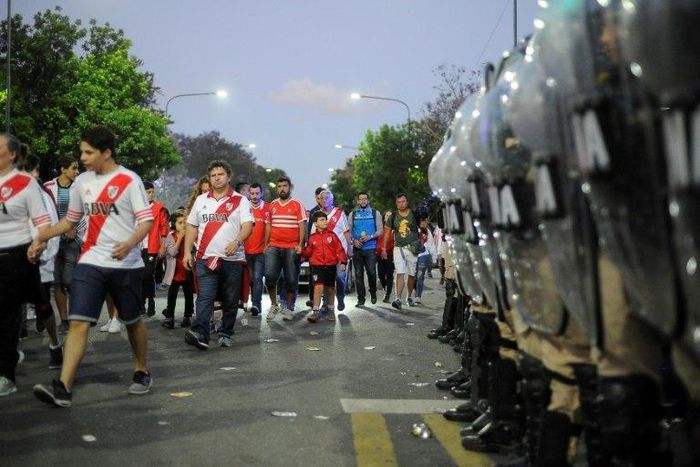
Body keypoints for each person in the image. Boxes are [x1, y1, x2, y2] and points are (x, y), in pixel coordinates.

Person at [32, 126, 154, 407]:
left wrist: (130, 242)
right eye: (81, 152)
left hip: (127, 264)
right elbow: (69, 222)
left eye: (88, 152)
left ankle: (141, 370)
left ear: (106, 152)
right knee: (78, 323)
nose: (83, 158)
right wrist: (41, 237)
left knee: (132, 321)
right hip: (90, 261)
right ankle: (63, 387)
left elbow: (145, 220)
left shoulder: (129, 180)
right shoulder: (82, 182)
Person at [0, 134, 51, 397]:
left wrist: (37, 244)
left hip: (14, 257)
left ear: (11, 155)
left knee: (7, 315)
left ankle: (6, 374)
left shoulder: (26, 185)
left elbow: (42, 224)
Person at [182, 160, 253, 350]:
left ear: (228, 177)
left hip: (232, 260)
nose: (216, 178)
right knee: (205, 297)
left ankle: (225, 332)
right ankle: (201, 333)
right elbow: (191, 226)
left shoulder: (240, 200)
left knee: (230, 300)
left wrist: (237, 241)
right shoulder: (201, 200)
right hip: (205, 259)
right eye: (213, 175)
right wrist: (187, 251)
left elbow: (248, 225)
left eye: (220, 174)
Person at [21, 151, 63, 369]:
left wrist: (44, 258)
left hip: (39, 261)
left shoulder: (43, 195)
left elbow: (52, 231)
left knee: (43, 307)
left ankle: (55, 346)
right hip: (13, 259)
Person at [43, 156, 81, 333]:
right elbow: (44, 212)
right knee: (57, 282)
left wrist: (73, 229)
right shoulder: (48, 187)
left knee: (69, 279)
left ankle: (78, 315)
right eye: (74, 168)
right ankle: (64, 320)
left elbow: (85, 212)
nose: (77, 171)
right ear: (63, 169)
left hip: (72, 240)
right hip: (53, 240)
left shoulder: (80, 187)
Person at [264, 177, 307, 321]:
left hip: (291, 247)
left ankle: (289, 308)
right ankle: (274, 305)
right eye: (279, 186)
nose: (282, 188)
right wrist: (266, 244)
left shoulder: (297, 204)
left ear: (289, 188)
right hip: (274, 246)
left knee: (291, 280)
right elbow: (268, 225)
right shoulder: (273, 205)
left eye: (285, 186)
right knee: (269, 277)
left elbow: (302, 225)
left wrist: (301, 244)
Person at [302, 211, 347, 323]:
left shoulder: (332, 236)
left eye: (325, 219)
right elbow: (307, 253)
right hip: (317, 266)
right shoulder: (312, 238)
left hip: (331, 265)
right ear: (315, 223)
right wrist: (301, 252)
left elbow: (339, 250)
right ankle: (315, 312)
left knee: (330, 289)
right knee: (318, 288)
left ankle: (331, 310)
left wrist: (343, 262)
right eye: (321, 220)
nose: (325, 222)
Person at [382, 193, 419, 310]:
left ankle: (409, 296)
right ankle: (398, 299)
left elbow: (423, 225)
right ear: (396, 203)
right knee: (400, 272)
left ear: (407, 202)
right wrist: (383, 248)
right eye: (398, 202)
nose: (401, 204)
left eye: (403, 201)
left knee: (412, 275)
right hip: (398, 248)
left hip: (412, 248)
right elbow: (387, 233)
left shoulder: (414, 214)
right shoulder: (393, 216)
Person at [348, 192, 383, 306]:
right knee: (358, 274)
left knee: (372, 272)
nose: (363, 201)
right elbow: (349, 232)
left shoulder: (375, 213)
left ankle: (373, 292)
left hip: (370, 248)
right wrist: (354, 241)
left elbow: (380, 231)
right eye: (360, 199)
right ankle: (361, 299)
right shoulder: (353, 214)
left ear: (368, 201)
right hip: (357, 249)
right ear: (358, 201)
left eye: (365, 199)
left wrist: (370, 237)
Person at [141, 180, 169, 316]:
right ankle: (141, 304)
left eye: (152, 192)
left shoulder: (159, 208)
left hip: (152, 247)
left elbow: (164, 228)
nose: (151, 194)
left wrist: (163, 246)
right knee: (139, 276)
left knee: (147, 274)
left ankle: (150, 300)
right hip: (136, 247)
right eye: (148, 192)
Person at [162, 211, 194, 328]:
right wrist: (180, 238)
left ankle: (187, 317)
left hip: (187, 271)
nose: (183, 225)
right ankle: (170, 317)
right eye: (180, 223)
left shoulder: (189, 236)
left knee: (189, 295)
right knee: (172, 296)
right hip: (175, 273)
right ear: (173, 224)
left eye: (184, 222)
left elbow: (193, 250)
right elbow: (172, 252)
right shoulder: (170, 237)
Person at [244, 183, 270, 317]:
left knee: (258, 278)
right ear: (249, 194)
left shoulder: (268, 208)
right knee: (250, 279)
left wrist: (267, 245)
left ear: (262, 193)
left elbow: (270, 229)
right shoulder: (244, 207)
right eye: (252, 193)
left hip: (261, 251)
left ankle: (256, 305)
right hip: (245, 251)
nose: (254, 196)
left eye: (257, 193)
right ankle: (245, 302)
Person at [413, 216, 437, 305]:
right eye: (421, 221)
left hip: (424, 256)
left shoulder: (428, 232)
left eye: (425, 222)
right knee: (413, 276)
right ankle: (414, 292)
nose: (423, 223)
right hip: (413, 256)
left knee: (420, 276)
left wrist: (434, 258)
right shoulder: (413, 230)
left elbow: (431, 245)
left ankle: (417, 296)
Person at [376, 211, 395, 303]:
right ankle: (385, 288)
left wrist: (386, 251)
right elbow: (377, 241)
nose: (388, 217)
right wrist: (380, 251)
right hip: (379, 254)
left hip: (390, 255)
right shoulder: (380, 229)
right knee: (380, 274)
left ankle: (388, 294)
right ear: (384, 217)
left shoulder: (394, 229)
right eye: (387, 215)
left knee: (389, 275)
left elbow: (394, 243)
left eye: (390, 216)